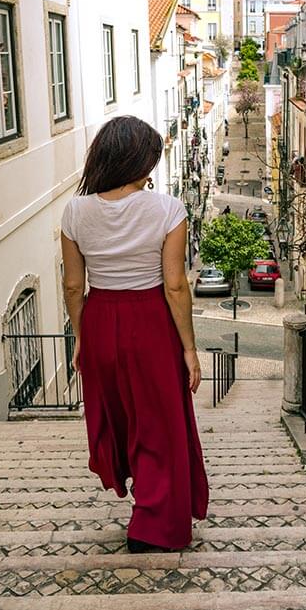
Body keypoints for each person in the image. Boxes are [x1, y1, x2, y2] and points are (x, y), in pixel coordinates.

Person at [61, 116, 208, 553]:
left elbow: (73, 285)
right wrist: (189, 349)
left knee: (120, 415)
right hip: (151, 322)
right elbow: (175, 284)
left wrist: (82, 338)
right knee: (159, 423)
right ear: (141, 160)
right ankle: (153, 524)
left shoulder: (74, 211)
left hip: (102, 318)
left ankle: (138, 499)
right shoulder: (167, 209)